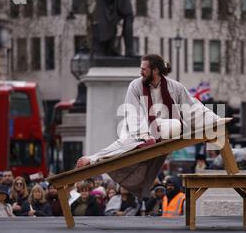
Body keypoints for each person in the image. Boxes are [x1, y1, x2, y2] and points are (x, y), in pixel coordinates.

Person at [76, 54, 220, 198]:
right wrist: (145, 135)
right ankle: (93, 159)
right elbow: (132, 114)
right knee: (122, 145)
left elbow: (193, 108)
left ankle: (94, 158)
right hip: (141, 131)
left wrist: (216, 122)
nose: (141, 72)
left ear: (155, 70)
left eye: (144, 69)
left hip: (166, 131)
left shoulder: (175, 87)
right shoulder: (135, 86)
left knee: (175, 125)